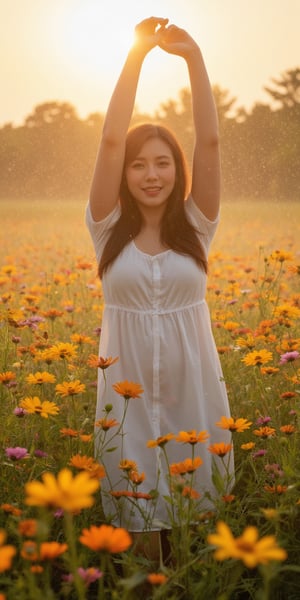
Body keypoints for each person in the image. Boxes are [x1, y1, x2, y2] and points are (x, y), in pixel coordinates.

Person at [86, 16, 234, 557]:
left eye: (164, 163)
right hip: (125, 401)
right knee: (143, 538)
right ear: (124, 176)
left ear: (178, 170)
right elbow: (107, 142)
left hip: (192, 393)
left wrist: (193, 58)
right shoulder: (105, 229)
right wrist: (136, 56)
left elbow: (212, 143)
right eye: (139, 165)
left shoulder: (197, 226)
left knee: (195, 542)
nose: (152, 174)